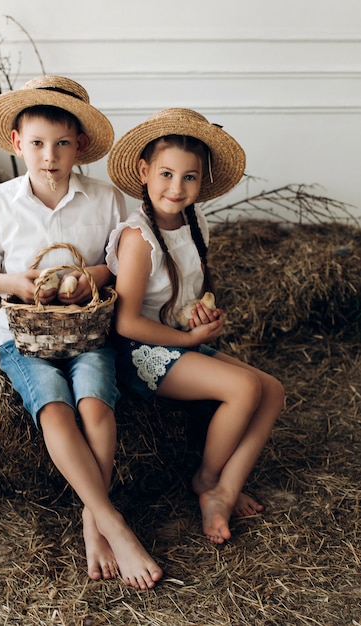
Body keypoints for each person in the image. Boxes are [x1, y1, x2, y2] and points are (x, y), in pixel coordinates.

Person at [0, 75, 163, 590]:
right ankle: (111, 519)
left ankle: (89, 518)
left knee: (95, 402)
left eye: (62, 144)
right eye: (36, 143)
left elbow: (119, 263)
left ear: (83, 146)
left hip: (87, 331)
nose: (48, 155)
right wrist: (16, 282)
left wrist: (86, 281)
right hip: (23, 332)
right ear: (16, 143)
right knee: (53, 404)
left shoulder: (107, 199)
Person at [106, 108, 285, 545]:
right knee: (244, 389)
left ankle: (226, 487)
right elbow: (127, 322)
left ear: (201, 181)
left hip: (177, 341)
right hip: (138, 353)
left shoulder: (194, 222)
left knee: (273, 390)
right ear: (144, 171)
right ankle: (207, 481)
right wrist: (188, 338)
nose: (177, 187)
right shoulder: (138, 239)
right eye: (166, 173)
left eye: (190, 177)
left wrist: (202, 317)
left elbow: (187, 296)